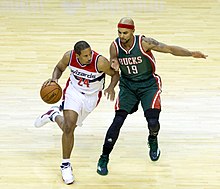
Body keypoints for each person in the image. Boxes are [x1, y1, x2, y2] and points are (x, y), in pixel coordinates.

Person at [96, 17, 208, 176]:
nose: (122, 36)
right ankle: (104, 157)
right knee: (117, 121)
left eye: (125, 33)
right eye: (119, 32)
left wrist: (190, 53)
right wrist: (113, 72)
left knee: (153, 122)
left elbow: (169, 49)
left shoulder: (144, 43)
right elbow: (114, 62)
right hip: (128, 86)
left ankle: (152, 138)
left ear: (133, 31)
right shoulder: (114, 46)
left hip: (148, 85)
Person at [34, 40, 119, 184]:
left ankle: (53, 115)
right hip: (73, 92)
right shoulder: (69, 56)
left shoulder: (100, 62)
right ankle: (65, 164)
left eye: (90, 53)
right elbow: (59, 68)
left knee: (70, 127)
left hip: (91, 97)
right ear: (77, 55)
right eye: (85, 55)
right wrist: (54, 79)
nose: (89, 57)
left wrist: (111, 87)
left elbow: (115, 74)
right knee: (68, 127)